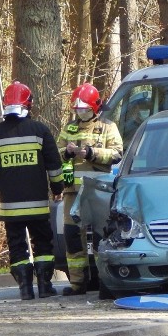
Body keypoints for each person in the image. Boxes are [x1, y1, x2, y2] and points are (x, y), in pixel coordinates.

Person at [0, 81, 65, 300]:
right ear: (29, 104)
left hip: (10, 207)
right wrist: (58, 188)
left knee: (17, 247)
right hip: (37, 204)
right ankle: (45, 287)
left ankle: (25, 290)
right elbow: (54, 165)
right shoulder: (40, 131)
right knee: (43, 243)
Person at [56, 82, 123, 295]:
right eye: (77, 109)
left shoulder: (108, 127)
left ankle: (105, 282)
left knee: (101, 236)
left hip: (97, 192)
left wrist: (92, 153)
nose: (81, 112)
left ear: (95, 107)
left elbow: (116, 153)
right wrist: (66, 152)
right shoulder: (69, 128)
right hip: (72, 191)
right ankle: (78, 283)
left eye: (84, 108)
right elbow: (56, 153)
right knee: (72, 235)